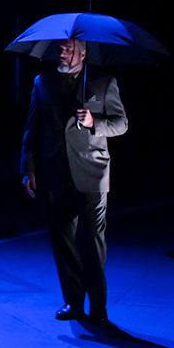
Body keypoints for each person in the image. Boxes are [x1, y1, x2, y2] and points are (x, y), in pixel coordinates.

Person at [20, 36, 127, 328]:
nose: (63, 53)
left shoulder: (103, 82)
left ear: (83, 53)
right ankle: (74, 302)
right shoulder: (42, 82)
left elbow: (121, 123)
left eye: (69, 49)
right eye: (61, 49)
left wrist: (95, 123)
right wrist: (28, 169)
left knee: (92, 243)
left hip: (91, 173)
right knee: (63, 241)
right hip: (55, 173)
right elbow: (32, 128)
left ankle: (99, 307)